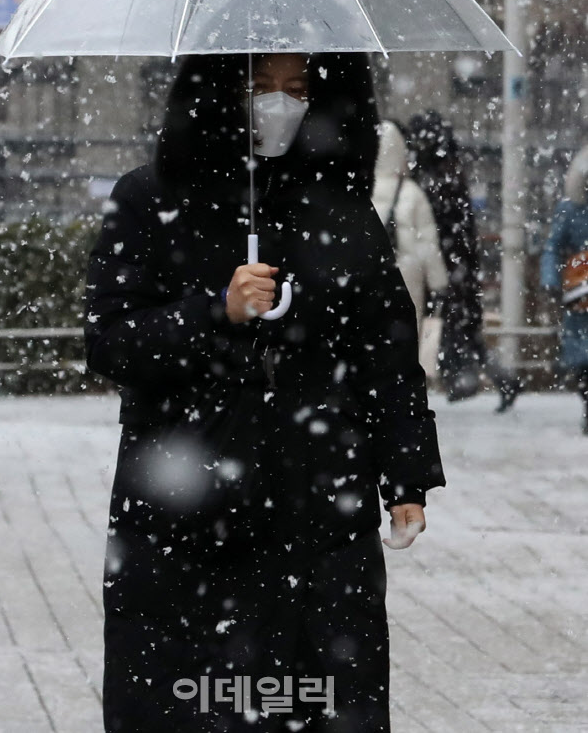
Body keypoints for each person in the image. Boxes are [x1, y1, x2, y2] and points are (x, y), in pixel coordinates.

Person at [84, 52, 446, 733]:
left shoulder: (344, 216)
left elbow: (387, 358)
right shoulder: (148, 199)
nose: (279, 105)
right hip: (184, 508)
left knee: (312, 699)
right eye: (260, 87)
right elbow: (110, 341)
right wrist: (216, 311)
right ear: (219, 91)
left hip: (317, 505)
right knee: (193, 702)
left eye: (298, 89)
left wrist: (407, 477)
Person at [406, 110, 523, 413]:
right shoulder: (451, 173)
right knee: (465, 333)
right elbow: (461, 230)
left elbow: (439, 229)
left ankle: (466, 381)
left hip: (447, 268)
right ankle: (499, 380)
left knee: (450, 330)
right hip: (459, 267)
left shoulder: (431, 178)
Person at [371, 119, 449, 379]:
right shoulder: (412, 192)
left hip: (370, 271)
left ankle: (374, 378)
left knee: (370, 325)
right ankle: (403, 381)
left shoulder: (360, 188)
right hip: (407, 271)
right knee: (406, 325)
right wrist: (438, 283)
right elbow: (428, 242)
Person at [541, 143, 588, 435]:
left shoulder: (569, 208)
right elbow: (553, 247)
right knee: (581, 357)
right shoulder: (570, 209)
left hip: (578, 285)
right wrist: (550, 280)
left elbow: (551, 247)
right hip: (580, 288)